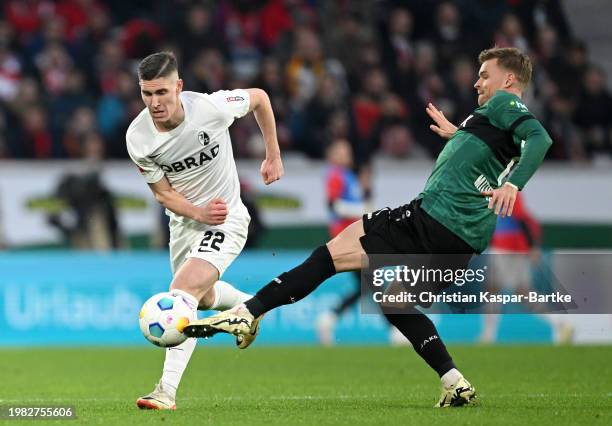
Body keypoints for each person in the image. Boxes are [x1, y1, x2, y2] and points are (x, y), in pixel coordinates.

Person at [186, 47, 553, 407]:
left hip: (433, 218)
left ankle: (248, 312)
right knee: (396, 301)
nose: (477, 83)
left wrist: (513, 184)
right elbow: (490, 155)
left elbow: (540, 138)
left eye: (484, 75)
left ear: (508, 79)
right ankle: (453, 380)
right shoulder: (491, 118)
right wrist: (458, 135)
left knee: (328, 257)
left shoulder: (506, 104)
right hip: (464, 239)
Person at [126, 52, 283, 410]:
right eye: (147, 94)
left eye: (162, 92)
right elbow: (163, 193)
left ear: (178, 86)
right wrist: (196, 212)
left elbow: (259, 97)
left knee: (181, 293)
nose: (155, 103)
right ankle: (249, 307)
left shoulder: (211, 108)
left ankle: (165, 392)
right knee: (205, 297)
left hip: (227, 218)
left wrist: (273, 154)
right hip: (185, 224)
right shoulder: (138, 137)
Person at [480, 192, 574, 344]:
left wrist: (532, 247)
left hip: (509, 249)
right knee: (500, 290)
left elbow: (521, 219)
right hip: (506, 247)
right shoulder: (500, 190)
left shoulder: (510, 191)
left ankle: (560, 323)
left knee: (514, 291)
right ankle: (488, 335)